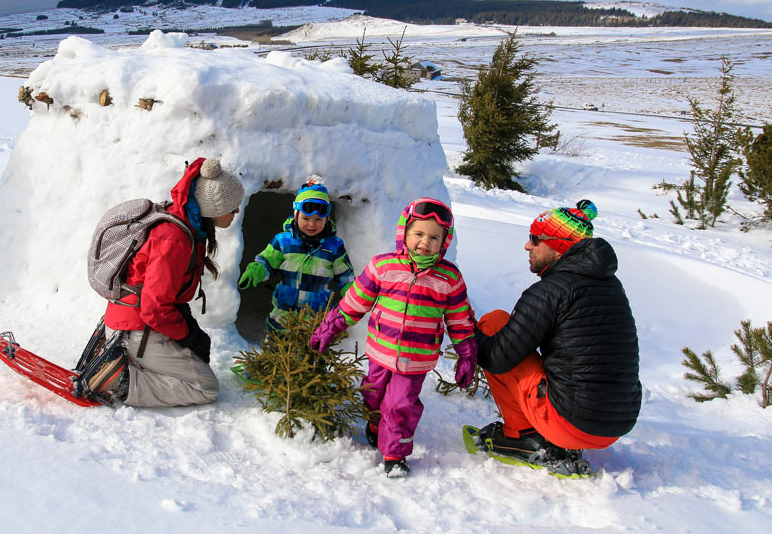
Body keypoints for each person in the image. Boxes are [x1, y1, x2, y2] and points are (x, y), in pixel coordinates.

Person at [309, 198, 477, 477]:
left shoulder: (449, 278)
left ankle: (395, 454)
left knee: (400, 405)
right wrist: (331, 326)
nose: (425, 242)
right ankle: (376, 425)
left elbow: (459, 319)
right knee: (372, 396)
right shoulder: (383, 267)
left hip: (416, 360)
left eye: (434, 237)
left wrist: (467, 354)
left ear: (444, 242)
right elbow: (355, 302)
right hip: (380, 351)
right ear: (404, 233)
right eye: (419, 234)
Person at [474, 200, 641, 476]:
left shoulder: (552, 291)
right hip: (614, 427)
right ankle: (555, 432)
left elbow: (497, 357)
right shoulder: (612, 286)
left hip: (571, 424)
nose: (528, 246)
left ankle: (523, 436)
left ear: (558, 247)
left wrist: (465, 329)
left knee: (493, 324)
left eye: (535, 239)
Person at [82, 157, 243, 407]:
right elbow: (154, 309)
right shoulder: (175, 240)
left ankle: (128, 360)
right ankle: (118, 380)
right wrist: (188, 334)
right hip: (136, 328)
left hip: (131, 321)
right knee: (205, 387)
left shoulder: (184, 224)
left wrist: (187, 329)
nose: (237, 213)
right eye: (233, 207)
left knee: (197, 361)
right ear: (214, 208)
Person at [237, 176, 354, 335]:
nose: (312, 224)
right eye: (306, 218)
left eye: (318, 219)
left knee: (311, 353)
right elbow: (268, 260)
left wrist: (352, 292)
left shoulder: (334, 247)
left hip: (316, 317)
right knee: (278, 347)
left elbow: (345, 275)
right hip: (284, 313)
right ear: (296, 215)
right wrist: (258, 269)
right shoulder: (283, 242)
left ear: (327, 219)